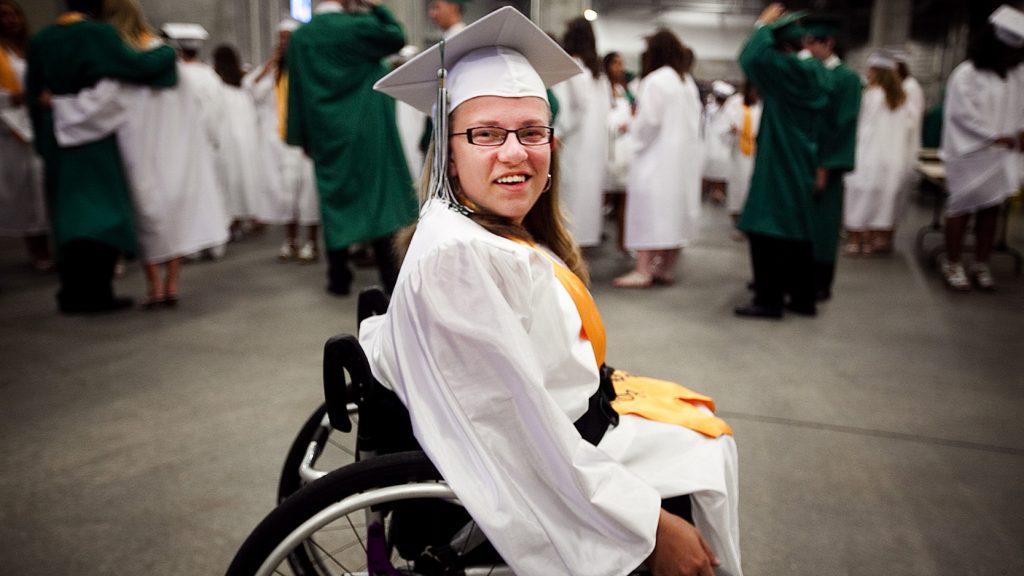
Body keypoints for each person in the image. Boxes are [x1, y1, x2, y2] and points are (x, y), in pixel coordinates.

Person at [371, 8, 742, 576]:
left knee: (703, 441)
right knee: (704, 462)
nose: (516, 152)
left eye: (531, 132)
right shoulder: (458, 259)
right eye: (487, 133)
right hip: (556, 458)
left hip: (580, 421)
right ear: (447, 150)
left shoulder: (476, 226)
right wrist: (646, 526)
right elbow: (511, 438)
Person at [48, 0, 229, 308]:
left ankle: (155, 287)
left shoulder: (120, 61)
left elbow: (102, 106)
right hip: (175, 148)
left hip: (137, 148)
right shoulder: (166, 56)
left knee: (147, 216)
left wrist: (58, 105)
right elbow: (195, 108)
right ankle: (172, 284)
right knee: (173, 218)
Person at [26, 0, 176, 314]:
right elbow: (135, 67)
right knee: (102, 215)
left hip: (56, 134)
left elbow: (32, 94)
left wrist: (43, 140)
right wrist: (168, 51)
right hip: (94, 137)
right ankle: (98, 292)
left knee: (68, 214)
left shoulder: (41, 40)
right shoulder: (98, 34)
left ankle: (70, 291)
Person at [286, 0, 417, 296]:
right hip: (367, 128)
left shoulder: (301, 37)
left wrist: (303, 137)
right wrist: (375, 6)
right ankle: (390, 276)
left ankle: (338, 277)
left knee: (336, 201)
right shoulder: (358, 27)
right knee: (378, 197)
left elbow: (296, 89)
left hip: (326, 131)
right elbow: (396, 35)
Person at [733, 4, 828, 319]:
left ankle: (768, 299)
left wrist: (763, 25)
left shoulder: (789, 71)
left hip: (779, 159)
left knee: (766, 228)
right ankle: (802, 298)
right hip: (802, 157)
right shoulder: (816, 71)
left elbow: (749, 58)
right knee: (796, 229)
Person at [939, 6, 1024, 291]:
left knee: (992, 210)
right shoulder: (967, 73)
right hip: (970, 153)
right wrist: (994, 136)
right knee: (961, 208)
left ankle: (981, 264)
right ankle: (952, 263)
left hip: (1002, 155)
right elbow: (962, 113)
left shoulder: (1016, 75)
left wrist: (1020, 133)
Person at [614, 29, 703, 288]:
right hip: (682, 160)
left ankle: (643, 270)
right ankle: (665, 268)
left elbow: (649, 121)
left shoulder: (655, 80)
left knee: (649, 211)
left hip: (657, 158)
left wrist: (633, 131)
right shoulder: (684, 81)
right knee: (674, 213)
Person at [243, 19, 320, 263]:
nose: (284, 43)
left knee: (308, 194)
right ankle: (290, 241)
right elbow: (251, 90)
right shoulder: (275, 72)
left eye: (288, 38)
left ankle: (312, 243)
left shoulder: (308, 68)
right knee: (287, 195)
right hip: (281, 142)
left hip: (304, 143)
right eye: (281, 38)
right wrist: (273, 64)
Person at [801, 15, 861, 301]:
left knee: (823, 225)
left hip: (827, 164)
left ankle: (820, 283)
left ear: (829, 43)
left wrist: (826, 165)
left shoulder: (846, 79)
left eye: (813, 43)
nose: (808, 49)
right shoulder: (811, 73)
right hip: (804, 160)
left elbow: (843, 124)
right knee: (802, 223)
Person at [842, 52, 915, 257]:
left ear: (876, 72)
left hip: (867, 155)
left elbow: (860, 126)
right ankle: (873, 239)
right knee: (881, 200)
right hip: (891, 159)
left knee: (859, 197)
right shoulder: (901, 99)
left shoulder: (871, 96)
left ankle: (856, 240)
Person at [551, 16, 610, 248]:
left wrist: (556, 134)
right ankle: (583, 241)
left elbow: (567, 113)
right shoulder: (598, 73)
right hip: (594, 148)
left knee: (568, 198)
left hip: (573, 146)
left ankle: (567, 244)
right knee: (587, 199)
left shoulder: (570, 67)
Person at [0, 0, 50, 271]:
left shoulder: (32, 48)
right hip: (13, 127)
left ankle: (52, 247)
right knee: (27, 193)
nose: (10, 19)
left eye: (14, 13)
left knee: (45, 187)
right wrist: (13, 98)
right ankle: (38, 250)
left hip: (40, 121)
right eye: (3, 15)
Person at [212, 43, 264, 242]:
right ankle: (251, 215)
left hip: (226, 138)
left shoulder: (217, 83)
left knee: (229, 180)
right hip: (247, 136)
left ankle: (232, 220)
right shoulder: (243, 82)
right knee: (248, 175)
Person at [603, 51, 634, 252]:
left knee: (625, 198)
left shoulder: (623, 90)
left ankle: (623, 242)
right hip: (606, 149)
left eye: (622, 63)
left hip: (624, 149)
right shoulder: (601, 88)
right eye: (616, 63)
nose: (620, 67)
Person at [722, 82, 761, 235]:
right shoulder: (736, 102)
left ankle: (753, 223)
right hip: (740, 153)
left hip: (760, 154)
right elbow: (723, 125)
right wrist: (731, 129)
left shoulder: (767, 102)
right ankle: (738, 222)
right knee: (739, 186)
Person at [701, 80, 736, 205]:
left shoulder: (730, 110)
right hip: (710, 143)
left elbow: (732, 125)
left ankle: (718, 191)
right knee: (707, 168)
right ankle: (706, 191)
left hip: (723, 146)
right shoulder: (710, 109)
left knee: (721, 170)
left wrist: (731, 129)